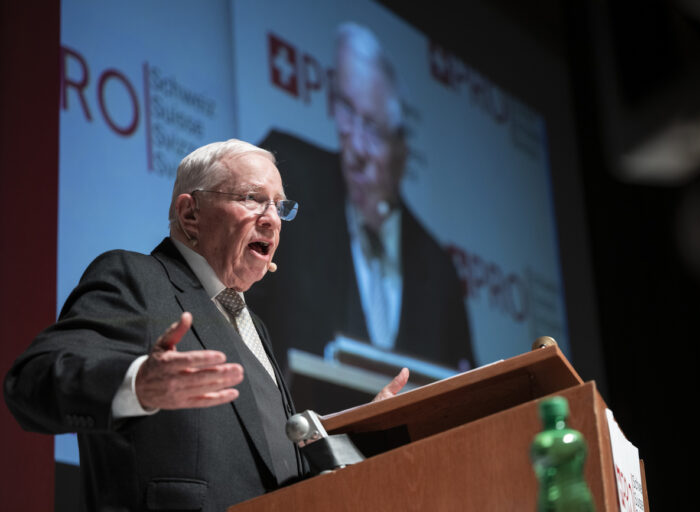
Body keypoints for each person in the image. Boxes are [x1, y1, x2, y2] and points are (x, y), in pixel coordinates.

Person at [4, 139, 408, 512]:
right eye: (253, 199)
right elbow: (32, 379)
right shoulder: (135, 278)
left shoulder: (256, 328)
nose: (272, 220)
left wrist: (364, 433)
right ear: (190, 213)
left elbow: (273, 466)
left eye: (279, 206)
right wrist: (136, 383)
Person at [248, 23, 474, 389]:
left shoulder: (439, 273)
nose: (356, 146)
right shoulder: (286, 177)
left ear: (403, 151)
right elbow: (225, 294)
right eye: (347, 112)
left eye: (373, 128)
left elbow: (466, 394)